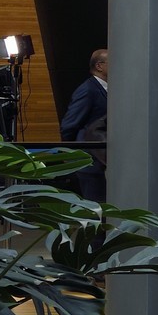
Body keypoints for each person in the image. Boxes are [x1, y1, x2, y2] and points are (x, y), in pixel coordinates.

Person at [59, 48, 108, 202]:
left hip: (101, 161)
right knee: (95, 210)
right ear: (99, 66)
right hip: (90, 162)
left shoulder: (107, 89)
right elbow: (69, 125)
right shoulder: (88, 90)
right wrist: (72, 154)